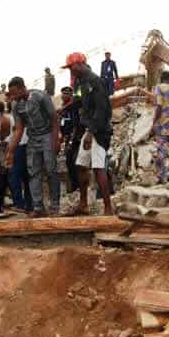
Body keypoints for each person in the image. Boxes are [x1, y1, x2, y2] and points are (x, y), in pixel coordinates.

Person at [61, 52, 115, 215]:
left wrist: (91, 133)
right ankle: (83, 204)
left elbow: (102, 110)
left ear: (80, 64)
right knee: (81, 166)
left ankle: (108, 208)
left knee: (99, 168)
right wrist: (64, 109)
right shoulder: (81, 82)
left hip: (99, 131)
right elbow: (79, 101)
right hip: (89, 128)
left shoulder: (95, 82)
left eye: (72, 67)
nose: (71, 70)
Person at [6, 77, 60, 217]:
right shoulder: (16, 106)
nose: (13, 97)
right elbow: (18, 129)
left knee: (51, 170)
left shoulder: (41, 96)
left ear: (23, 88)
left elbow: (54, 118)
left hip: (47, 135)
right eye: (11, 94)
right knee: (33, 171)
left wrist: (56, 140)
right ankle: (38, 207)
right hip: (33, 138)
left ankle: (54, 206)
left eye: (15, 93)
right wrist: (10, 151)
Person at [3, 98, 32, 212]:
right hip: (25, 145)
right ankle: (28, 204)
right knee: (26, 177)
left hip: (19, 146)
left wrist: (8, 148)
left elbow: (14, 133)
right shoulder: (19, 116)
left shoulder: (13, 117)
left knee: (14, 176)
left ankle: (20, 203)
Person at [59, 86, 81, 192]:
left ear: (71, 95)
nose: (64, 95)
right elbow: (62, 124)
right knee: (68, 161)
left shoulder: (73, 108)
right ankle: (74, 184)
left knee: (71, 160)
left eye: (67, 93)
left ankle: (76, 185)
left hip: (74, 137)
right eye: (63, 93)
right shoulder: (63, 107)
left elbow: (75, 125)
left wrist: (71, 140)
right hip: (66, 137)